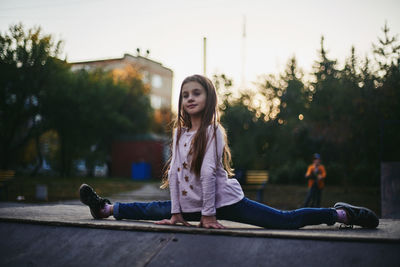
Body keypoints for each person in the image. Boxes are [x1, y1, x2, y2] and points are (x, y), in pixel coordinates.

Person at [79, 74, 379, 229]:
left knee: (283, 220)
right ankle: (104, 208)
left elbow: (208, 173)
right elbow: (174, 175)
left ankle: (341, 213)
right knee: (150, 209)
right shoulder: (179, 132)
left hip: (225, 201)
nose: (189, 98)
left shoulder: (212, 131)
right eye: (184, 95)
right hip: (191, 206)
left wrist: (208, 215)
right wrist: (174, 212)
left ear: (208, 97)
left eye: (196, 93)